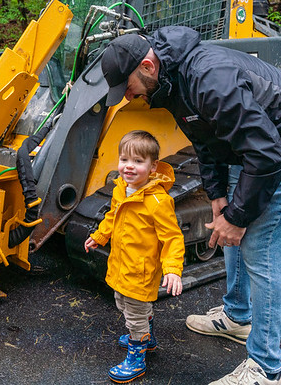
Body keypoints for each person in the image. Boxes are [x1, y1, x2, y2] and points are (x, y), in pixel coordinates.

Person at [100, 26, 281, 385]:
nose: (128, 96)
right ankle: (237, 317)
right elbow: (205, 140)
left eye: (129, 86)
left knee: (262, 253)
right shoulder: (172, 83)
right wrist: (218, 199)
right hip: (259, 151)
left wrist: (239, 217)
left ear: (148, 66)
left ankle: (266, 369)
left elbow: (267, 155)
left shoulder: (208, 78)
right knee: (226, 229)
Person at [84, 130, 185, 383]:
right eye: (124, 160)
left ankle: (137, 356)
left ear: (153, 168)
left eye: (138, 162)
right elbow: (112, 216)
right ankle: (146, 337)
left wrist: (172, 268)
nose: (129, 167)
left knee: (134, 316)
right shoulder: (122, 189)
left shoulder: (158, 201)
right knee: (122, 302)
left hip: (140, 272)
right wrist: (100, 236)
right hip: (121, 264)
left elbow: (172, 238)